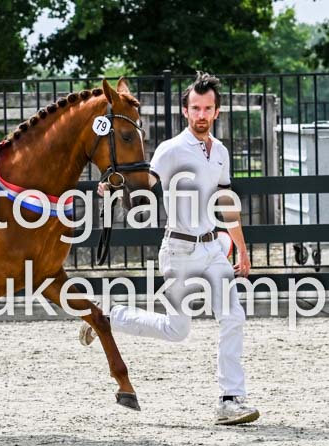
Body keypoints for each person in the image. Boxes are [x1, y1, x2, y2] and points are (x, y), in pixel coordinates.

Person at [82, 71, 259, 425]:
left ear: (217, 111)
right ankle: (109, 316)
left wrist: (241, 248)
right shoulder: (171, 149)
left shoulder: (221, 152)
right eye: (195, 108)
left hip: (213, 248)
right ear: (185, 111)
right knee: (177, 330)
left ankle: (230, 400)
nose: (201, 114)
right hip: (179, 250)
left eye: (207, 108)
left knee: (233, 317)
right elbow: (143, 182)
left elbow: (226, 202)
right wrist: (112, 187)